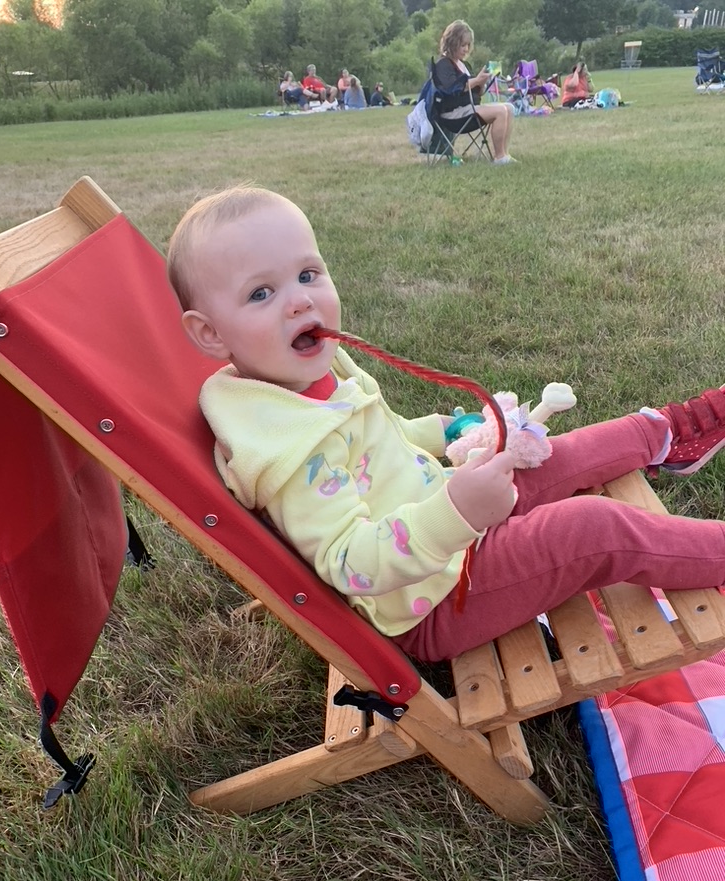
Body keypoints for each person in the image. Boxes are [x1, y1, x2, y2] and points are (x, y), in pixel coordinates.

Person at [167, 186, 725, 665]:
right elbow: (351, 563)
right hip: (435, 598)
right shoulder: (288, 452)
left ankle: (668, 433)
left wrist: (446, 431)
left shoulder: (308, 377)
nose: (300, 301)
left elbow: (381, 443)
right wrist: (456, 513)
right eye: (261, 293)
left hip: (445, 519)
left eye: (308, 274)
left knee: (554, 452)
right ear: (210, 334)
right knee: (590, 529)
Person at [433, 20, 515, 165]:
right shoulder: (443, 65)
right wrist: (476, 80)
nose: (466, 49)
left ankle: (505, 153)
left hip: (468, 109)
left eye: (468, 45)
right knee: (501, 111)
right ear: (452, 43)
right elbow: (452, 89)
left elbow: (477, 93)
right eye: (462, 45)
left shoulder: (464, 65)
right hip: (452, 114)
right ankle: (499, 157)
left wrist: (481, 83)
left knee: (509, 108)